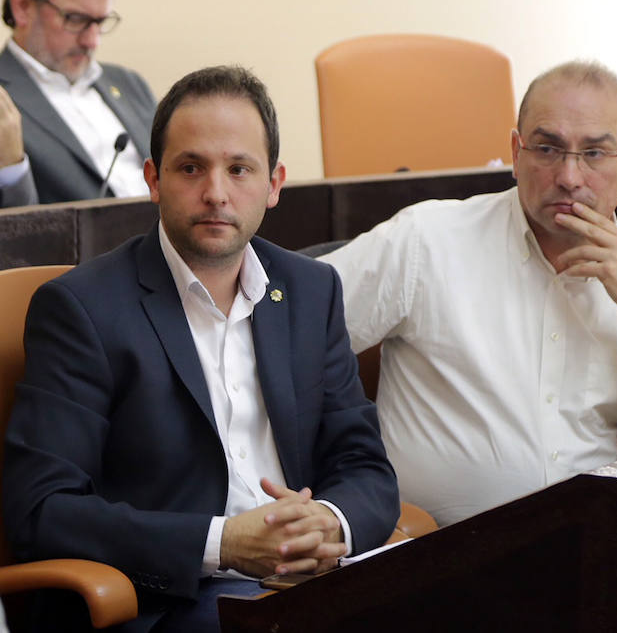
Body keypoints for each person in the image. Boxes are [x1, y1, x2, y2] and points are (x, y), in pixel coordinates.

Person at [3, 66, 399, 633]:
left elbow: (364, 465)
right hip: (177, 602)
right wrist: (222, 544)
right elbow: (40, 510)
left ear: (274, 183)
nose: (216, 192)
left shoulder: (311, 290)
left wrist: (332, 525)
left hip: (308, 581)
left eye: (239, 169)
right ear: (153, 179)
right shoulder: (82, 309)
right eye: (191, 168)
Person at [320, 60, 617, 527]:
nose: (569, 177)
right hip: (429, 556)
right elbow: (285, 331)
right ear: (516, 153)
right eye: (548, 148)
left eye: (596, 153)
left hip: (597, 552)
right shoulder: (427, 241)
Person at [0, 0, 156, 206]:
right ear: (22, 6)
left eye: (100, 22)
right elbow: (17, 235)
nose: (93, 42)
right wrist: (10, 170)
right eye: (76, 19)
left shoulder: (130, 84)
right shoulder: (3, 100)